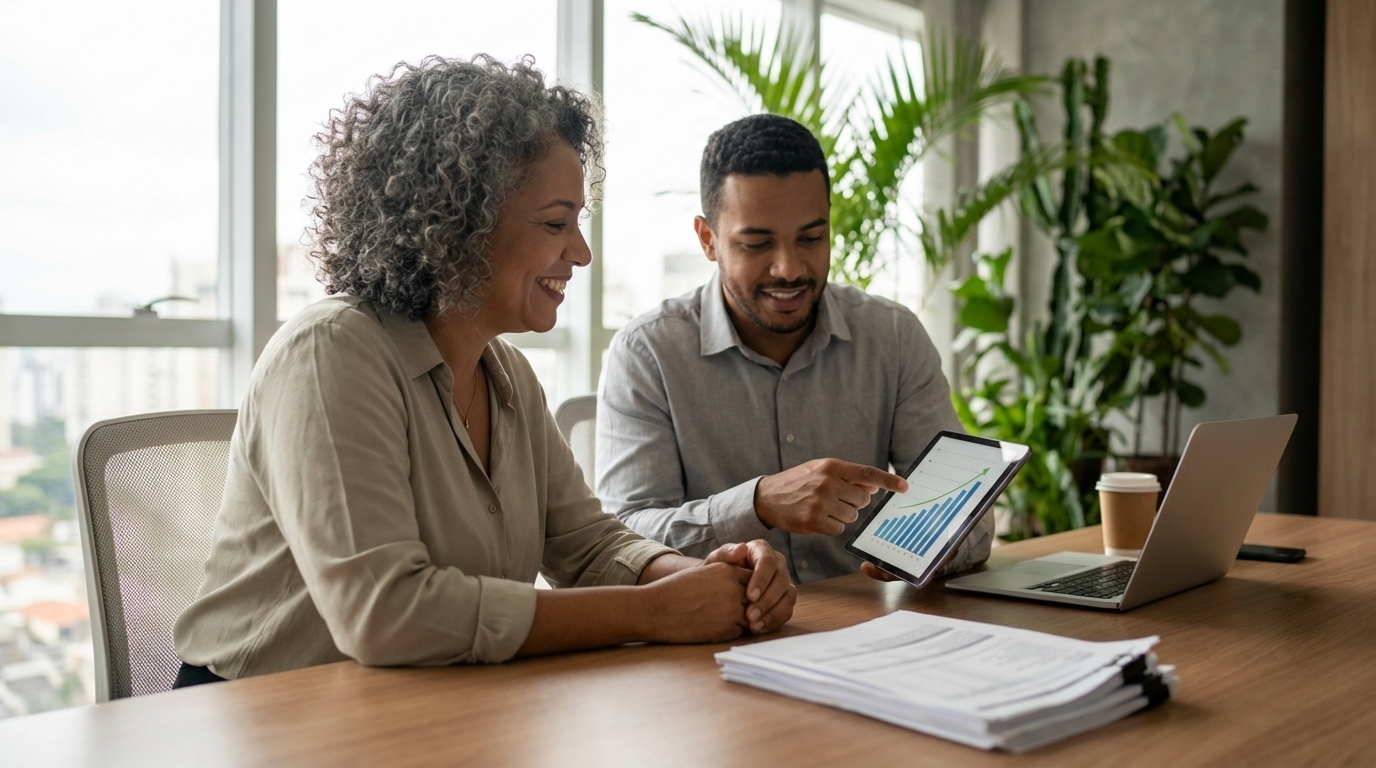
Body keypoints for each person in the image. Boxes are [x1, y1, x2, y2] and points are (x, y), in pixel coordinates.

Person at [172, 56, 795, 686]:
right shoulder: (330, 352)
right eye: (556, 223)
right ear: (455, 226)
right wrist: (649, 612)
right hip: (254, 718)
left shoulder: (509, 376)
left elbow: (589, 544)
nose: (579, 253)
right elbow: (386, 614)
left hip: (423, 710)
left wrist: (703, 578)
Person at [596, 113, 992, 584]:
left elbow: (970, 516)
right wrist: (758, 503)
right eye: (757, 243)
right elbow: (622, 546)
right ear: (709, 240)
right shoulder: (648, 354)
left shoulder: (894, 337)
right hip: (718, 636)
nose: (788, 268)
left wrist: (935, 542)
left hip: (867, 623)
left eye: (811, 238)